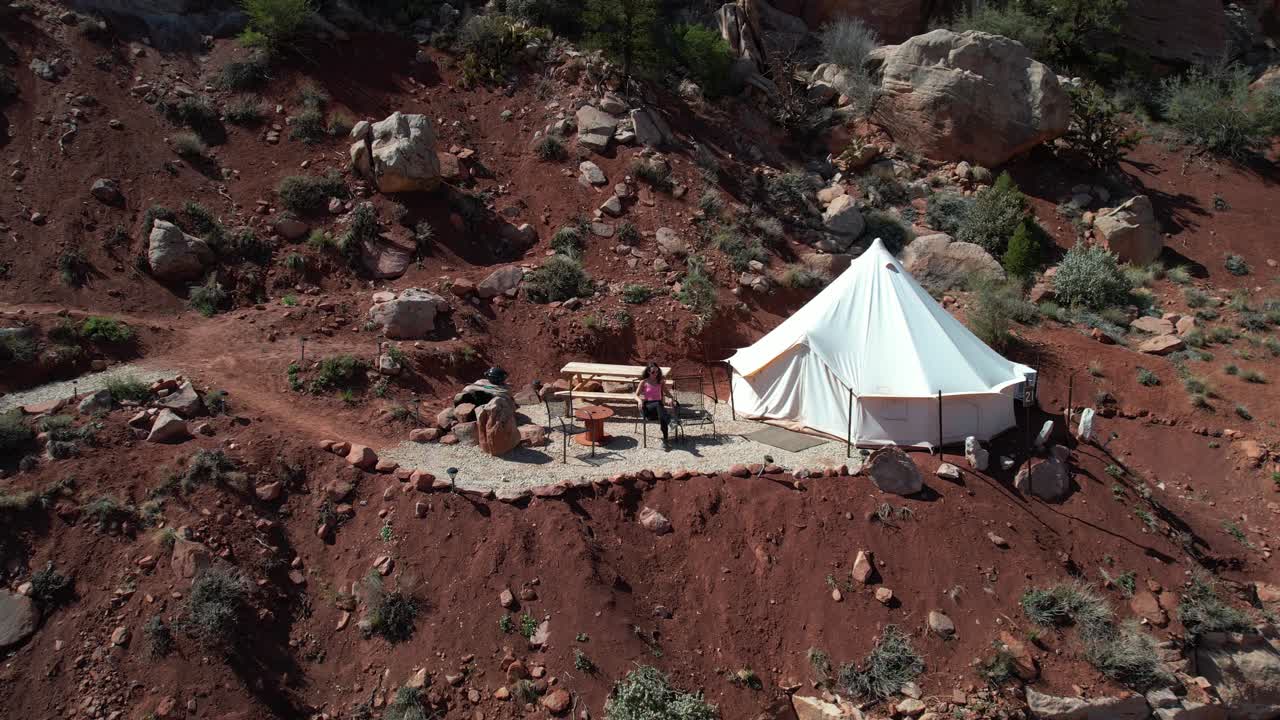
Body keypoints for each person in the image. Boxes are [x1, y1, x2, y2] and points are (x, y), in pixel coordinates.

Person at [634, 362, 678, 449]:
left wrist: (670, 399)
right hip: (648, 408)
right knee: (660, 407)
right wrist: (639, 401)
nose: (655, 374)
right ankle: (670, 421)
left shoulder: (660, 382)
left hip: (659, 410)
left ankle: (665, 441)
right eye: (653, 372)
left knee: (662, 414)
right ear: (648, 372)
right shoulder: (644, 382)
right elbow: (635, 395)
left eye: (657, 372)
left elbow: (669, 394)